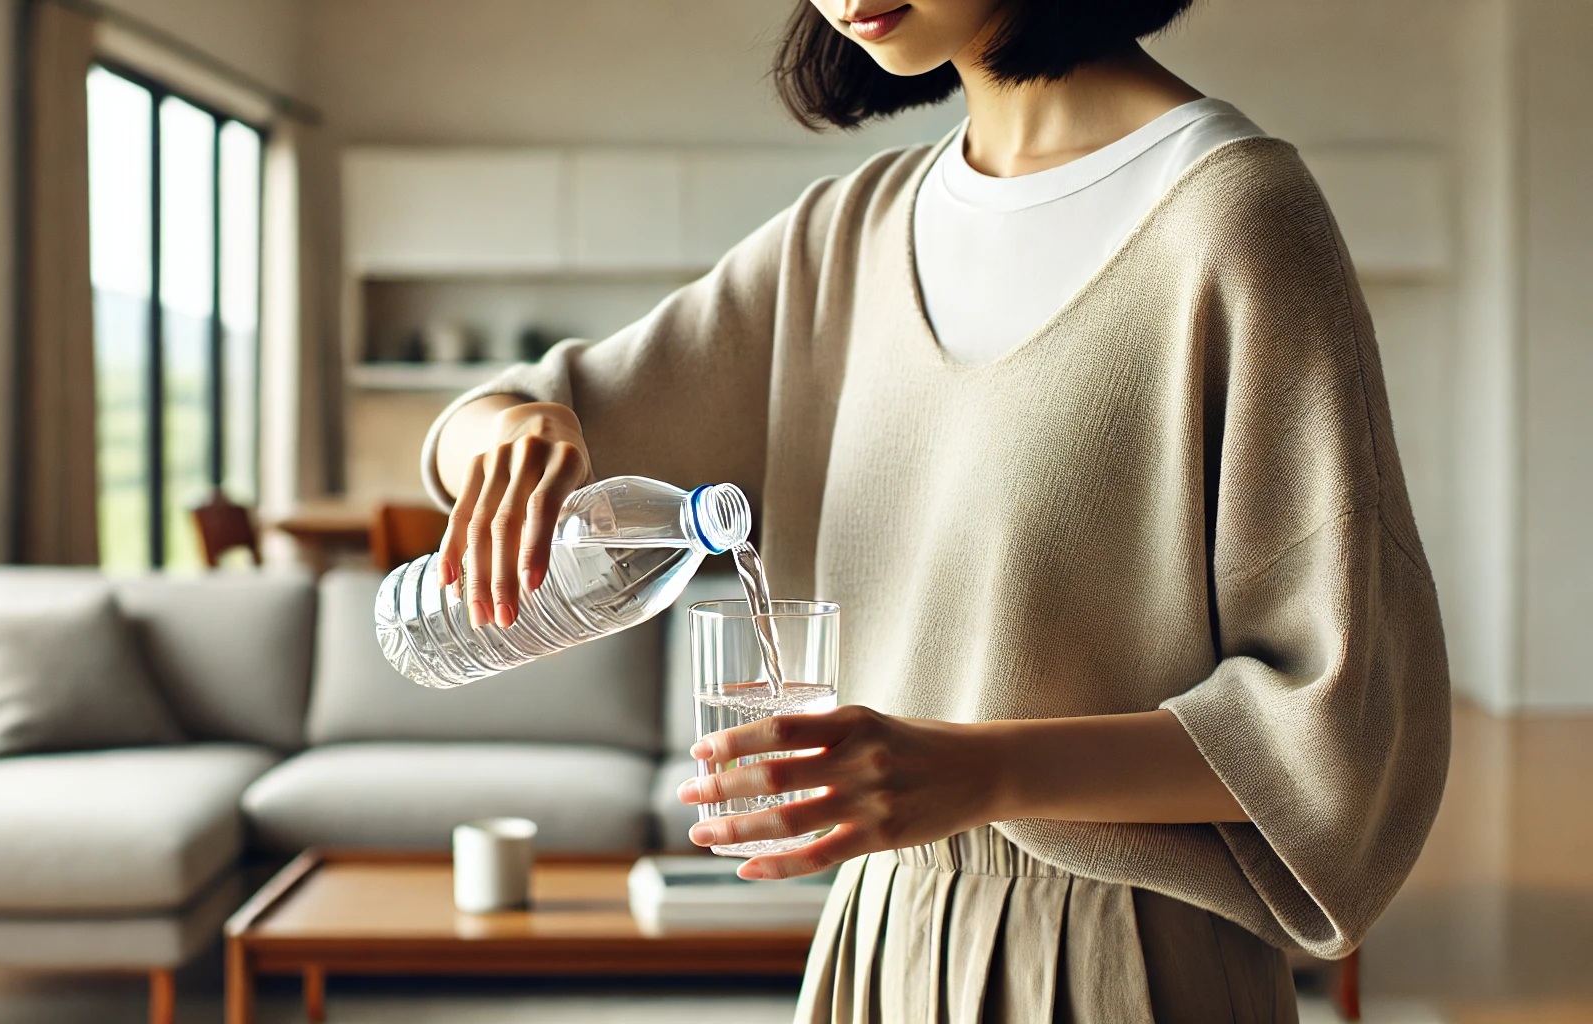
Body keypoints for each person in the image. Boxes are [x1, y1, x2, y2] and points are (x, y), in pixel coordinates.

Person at [422, 1, 1452, 1020]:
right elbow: (493, 414)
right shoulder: (849, 233)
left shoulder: (1231, 215)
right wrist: (515, 436)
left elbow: (1338, 727)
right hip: (879, 931)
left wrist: (985, 769)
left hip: (1123, 955)